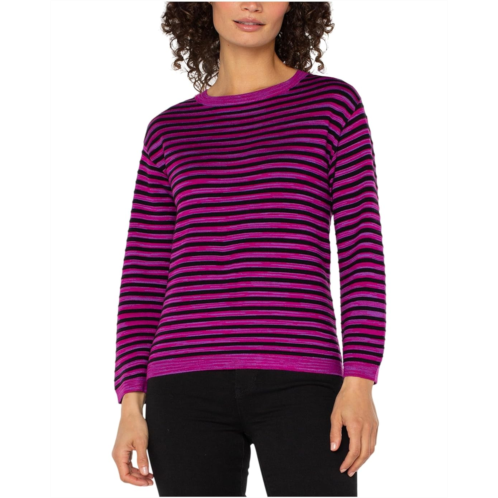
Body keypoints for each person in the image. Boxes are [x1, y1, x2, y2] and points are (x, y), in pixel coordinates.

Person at [112, 2, 386, 496]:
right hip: (183, 383)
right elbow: (144, 274)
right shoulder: (168, 131)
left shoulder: (332, 106)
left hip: (303, 376)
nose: (252, 4)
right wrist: (131, 402)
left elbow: (361, 251)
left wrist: (360, 379)